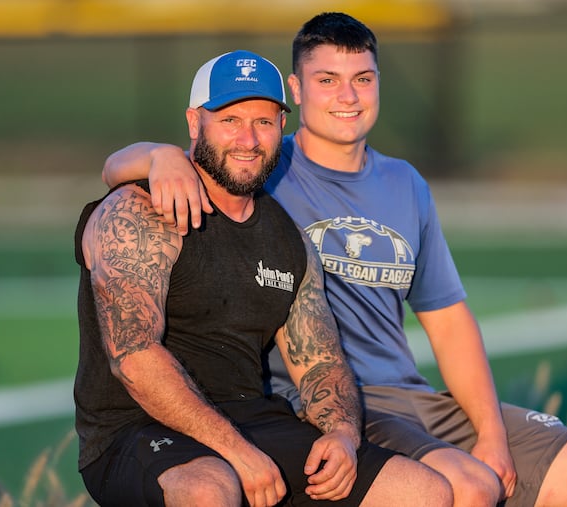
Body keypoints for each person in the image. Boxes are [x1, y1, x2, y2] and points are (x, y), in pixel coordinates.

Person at [102, 13, 567, 507]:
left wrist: (492, 435)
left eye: (362, 79)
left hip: (414, 395)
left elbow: (450, 321)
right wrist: (160, 156)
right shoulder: (266, 165)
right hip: (332, 403)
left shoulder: (405, 184)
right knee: (467, 489)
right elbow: (131, 165)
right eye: (327, 80)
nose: (348, 96)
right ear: (296, 90)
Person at [74, 49, 454, 507]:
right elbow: (134, 358)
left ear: (281, 128)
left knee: (426, 492)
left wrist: (342, 435)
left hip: (252, 419)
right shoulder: (138, 210)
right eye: (231, 120)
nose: (248, 139)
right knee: (210, 490)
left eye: (264, 122)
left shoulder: (289, 238)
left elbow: (319, 364)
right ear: (196, 124)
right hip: (138, 429)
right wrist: (237, 453)